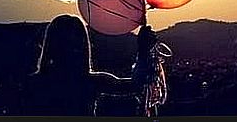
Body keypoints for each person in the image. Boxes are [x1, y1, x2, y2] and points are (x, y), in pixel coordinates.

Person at [19, 14, 154, 116]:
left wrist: (143, 51)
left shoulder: (32, 83)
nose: (71, 50)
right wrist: (143, 52)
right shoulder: (91, 82)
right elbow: (134, 85)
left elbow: (133, 86)